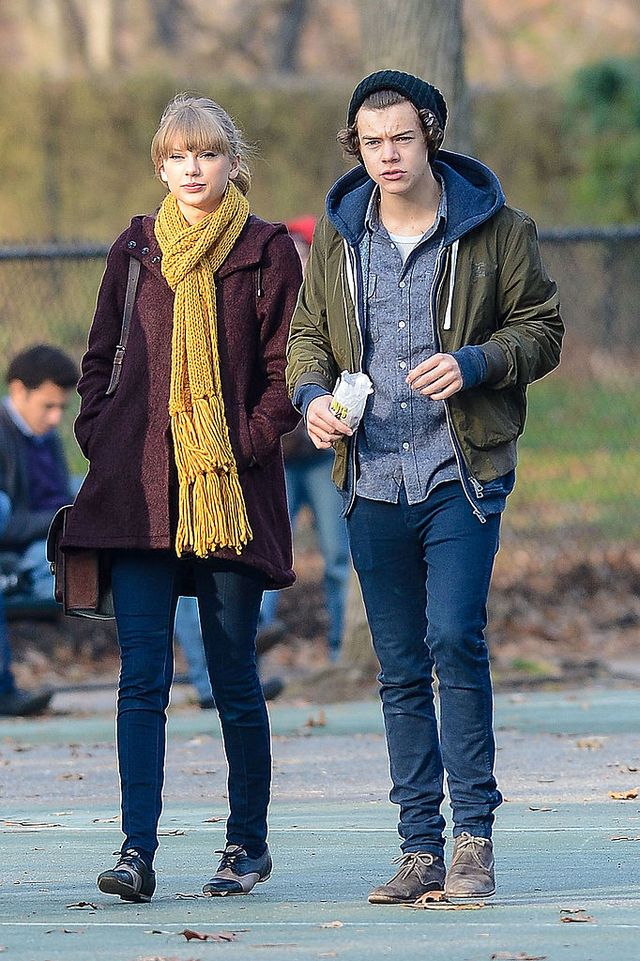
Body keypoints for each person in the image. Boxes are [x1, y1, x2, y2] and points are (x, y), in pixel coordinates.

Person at [286, 70, 564, 904]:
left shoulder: (498, 229)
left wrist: (476, 362)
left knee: (453, 638)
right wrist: (312, 403)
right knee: (401, 665)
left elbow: (542, 328)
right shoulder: (338, 235)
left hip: (459, 472)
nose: (387, 155)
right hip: (370, 477)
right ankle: (419, 849)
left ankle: (473, 837)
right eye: (371, 142)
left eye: (401, 137)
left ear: (431, 134)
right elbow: (307, 336)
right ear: (355, 147)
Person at [61, 94, 301, 901]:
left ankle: (247, 843)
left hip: (226, 492)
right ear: (160, 164)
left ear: (234, 161)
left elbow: (282, 376)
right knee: (141, 680)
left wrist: (240, 448)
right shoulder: (135, 247)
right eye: (178, 156)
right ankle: (136, 851)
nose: (192, 169)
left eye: (207, 154)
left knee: (232, 673)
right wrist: (103, 433)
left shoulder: (268, 251)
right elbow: (98, 358)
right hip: (138, 498)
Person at [260, 218, 350, 661]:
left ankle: (342, 649)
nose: (294, 257)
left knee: (338, 557)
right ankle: (253, 645)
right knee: (268, 553)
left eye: (302, 249)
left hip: (321, 452)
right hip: (276, 452)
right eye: (288, 249)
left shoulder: (332, 303)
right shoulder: (264, 299)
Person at [0, 344, 79, 716]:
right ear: (18, 390)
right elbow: (7, 522)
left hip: (54, 542)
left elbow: (63, 495)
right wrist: (65, 517)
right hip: (20, 558)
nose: (54, 418)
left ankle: (220, 657)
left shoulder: (46, 437)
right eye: (48, 406)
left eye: (61, 408)